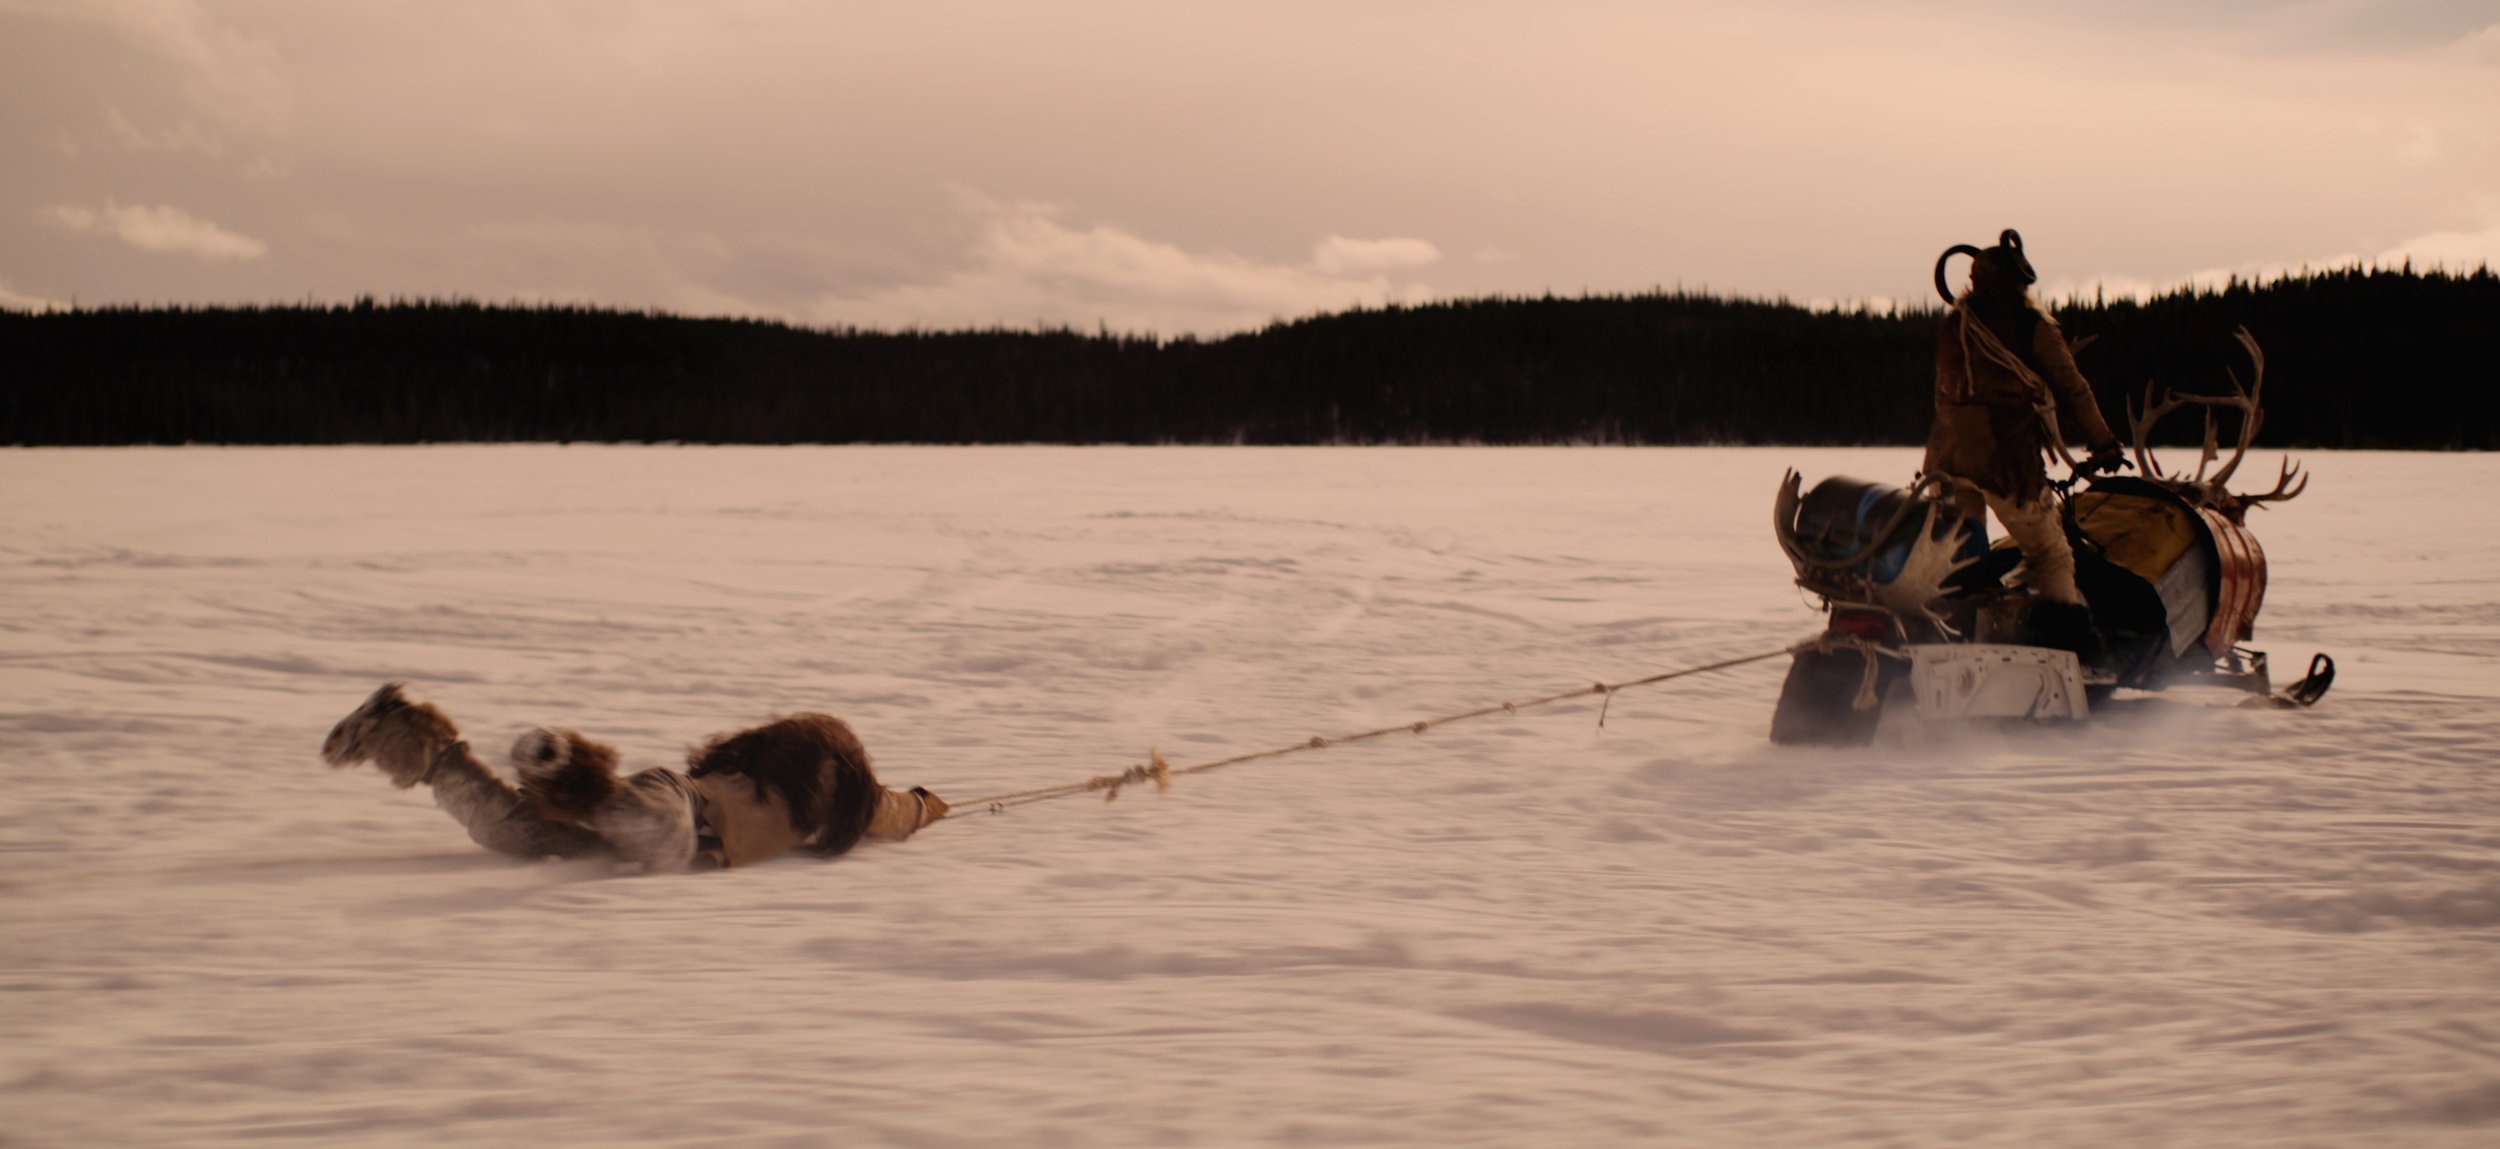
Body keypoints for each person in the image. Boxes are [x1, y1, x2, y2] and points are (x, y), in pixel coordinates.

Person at [320, 683, 948, 872]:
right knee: (657, 834)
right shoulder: (837, 794)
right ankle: (563, 767)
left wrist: (923, 804)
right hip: (678, 805)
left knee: (509, 834)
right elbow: (893, 812)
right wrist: (927, 806)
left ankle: (404, 734)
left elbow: (889, 809)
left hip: (652, 820)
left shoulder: (821, 793)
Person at [1924, 229, 2126, 650]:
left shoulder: (1954, 326)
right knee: (2051, 553)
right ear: (2018, 284)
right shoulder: (2030, 327)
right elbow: (2073, 389)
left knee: (1963, 558)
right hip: (2006, 465)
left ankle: (1958, 639)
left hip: (1945, 463)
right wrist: (2104, 445)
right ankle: (2069, 646)